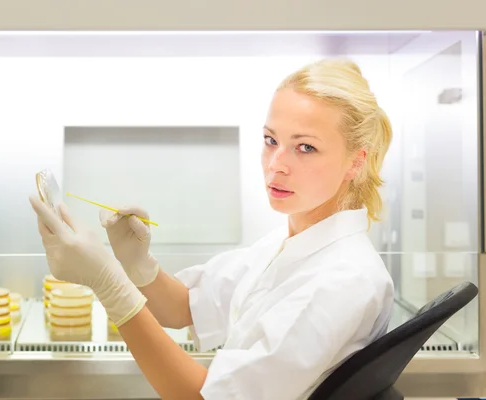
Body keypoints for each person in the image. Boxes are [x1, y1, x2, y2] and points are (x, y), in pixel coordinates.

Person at [29, 57, 395, 400]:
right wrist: (136, 264)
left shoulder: (345, 280)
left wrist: (110, 285)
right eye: (271, 140)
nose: (276, 165)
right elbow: (184, 307)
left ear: (356, 162)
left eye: (305, 147)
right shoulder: (288, 243)